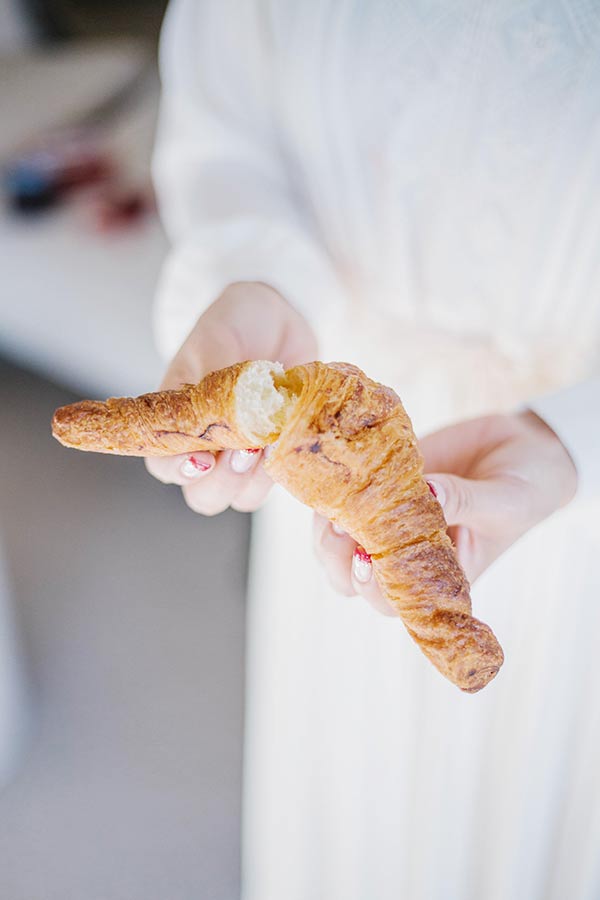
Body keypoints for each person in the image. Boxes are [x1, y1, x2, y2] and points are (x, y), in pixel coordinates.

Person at [146, 2, 600, 898]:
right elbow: (228, 128)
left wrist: (574, 433)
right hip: (336, 466)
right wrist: (257, 283)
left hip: (570, 502)